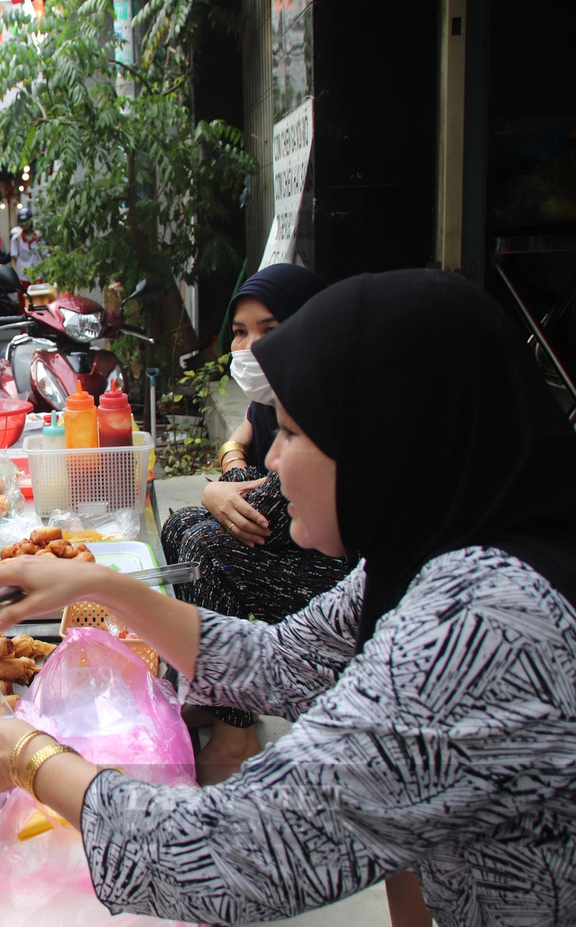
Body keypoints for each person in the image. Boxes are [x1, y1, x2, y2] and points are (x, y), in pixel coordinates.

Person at [0, 269, 576, 926]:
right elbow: (281, 659)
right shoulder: (430, 556)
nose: (273, 461)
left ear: (383, 440)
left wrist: (29, 757)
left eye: (290, 432)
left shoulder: (487, 624)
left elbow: (237, 851)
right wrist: (99, 583)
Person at [159, 263, 353, 783]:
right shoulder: (272, 398)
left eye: (270, 329)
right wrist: (225, 473)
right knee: (183, 529)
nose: (250, 347)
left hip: (332, 570)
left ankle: (236, 729)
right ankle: (213, 694)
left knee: (205, 546)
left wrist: (219, 488)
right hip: (296, 544)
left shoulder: (325, 398)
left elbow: (266, 507)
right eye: (240, 332)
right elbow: (251, 458)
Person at [9, 206, 45, 279]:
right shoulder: (16, 239)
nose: (24, 224)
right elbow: (13, 259)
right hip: (23, 277)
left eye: (26, 221)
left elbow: (45, 256)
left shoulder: (39, 236)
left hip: (39, 276)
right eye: (21, 222)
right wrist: (16, 277)